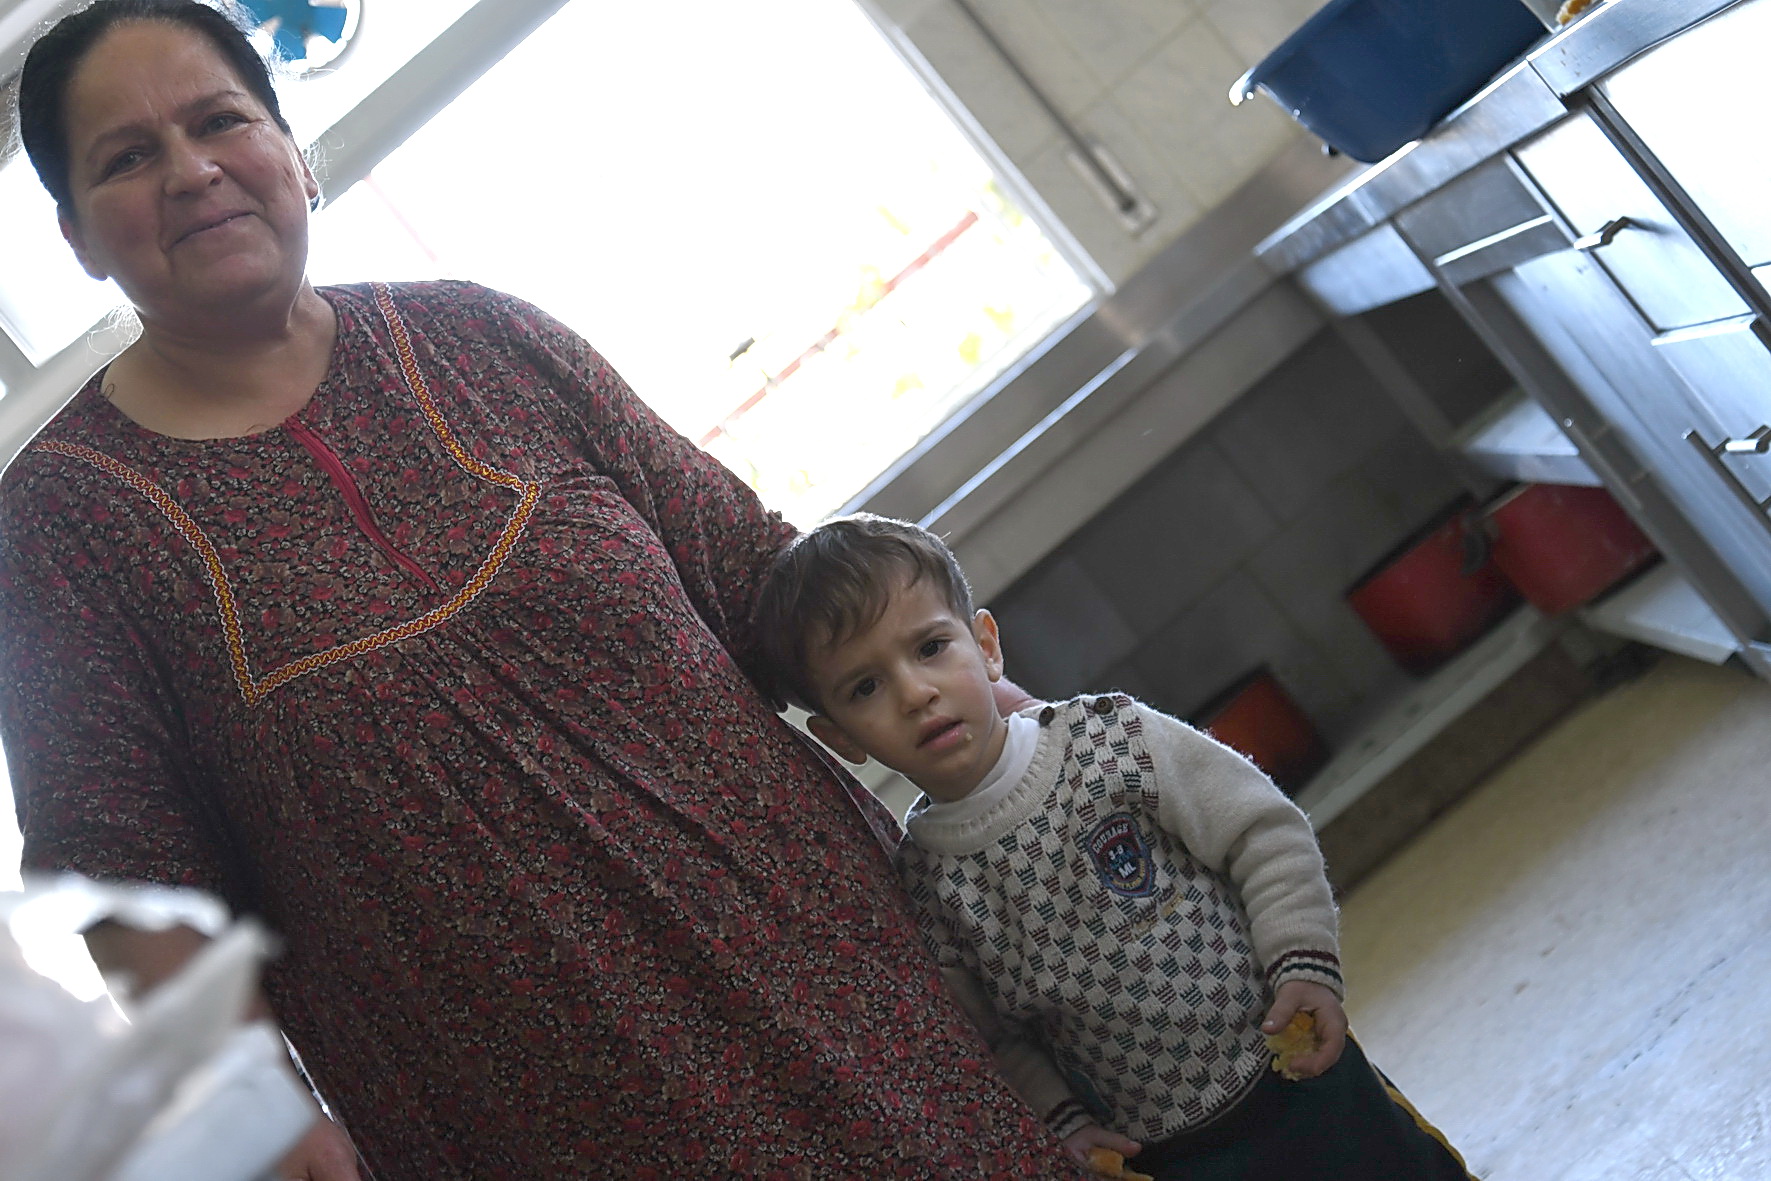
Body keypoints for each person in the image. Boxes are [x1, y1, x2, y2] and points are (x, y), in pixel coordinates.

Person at [1, 3, 1094, 1178]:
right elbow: (124, 867)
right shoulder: (61, 523)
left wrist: (1043, 757)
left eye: (221, 121)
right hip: (534, 1117)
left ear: (293, 154)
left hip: (870, 998)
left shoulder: (483, 336)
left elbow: (767, 581)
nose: (192, 171)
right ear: (77, 235)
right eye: (129, 157)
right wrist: (262, 1113)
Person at [752, 513, 1478, 1180]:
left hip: (1298, 1069)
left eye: (930, 648)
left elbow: (1263, 830)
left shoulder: (1110, 739)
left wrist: (1303, 959)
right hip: (1175, 1155)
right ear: (842, 739)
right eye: (866, 687)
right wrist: (1065, 1121)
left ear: (986, 645)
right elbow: (1000, 1040)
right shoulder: (926, 882)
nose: (915, 693)